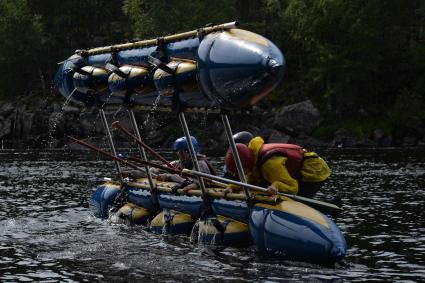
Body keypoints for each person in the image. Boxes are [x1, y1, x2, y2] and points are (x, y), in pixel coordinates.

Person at [223, 136, 331, 198]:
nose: (240, 174)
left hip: (314, 171)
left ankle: (326, 208)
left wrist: (275, 186)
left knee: (300, 199)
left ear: (245, 164)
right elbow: (251, 179)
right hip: (298, 169)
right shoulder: (253, 159)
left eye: (241, 170)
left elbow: (293, 187)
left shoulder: (270, 165)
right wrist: (233, 186)